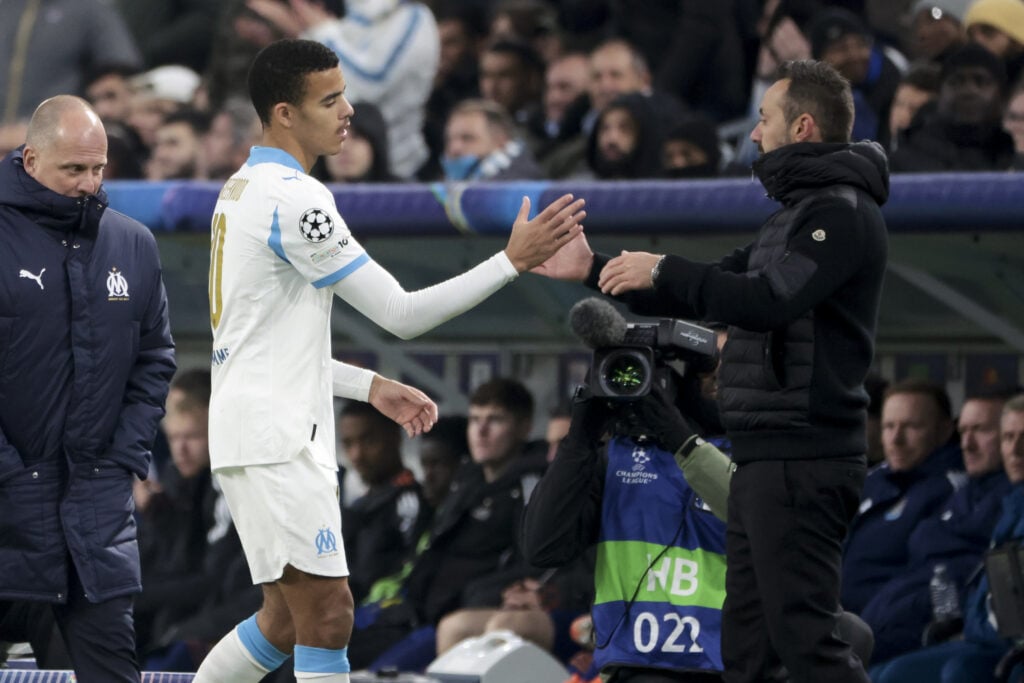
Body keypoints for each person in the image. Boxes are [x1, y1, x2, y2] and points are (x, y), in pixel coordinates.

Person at [193, 39, 584, 683]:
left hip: (251, 427)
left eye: (344, 93)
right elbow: (400, 314)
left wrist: (367, 384)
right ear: (285, 113)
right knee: (330, 615)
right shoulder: (298, 200)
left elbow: (256, 344)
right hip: (278, 436)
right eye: (330, 99)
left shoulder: (240, 190)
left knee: (285, 620)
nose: (348, 109)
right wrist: (512, 260)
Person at [536, 59, 888, 682]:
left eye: (764, 119)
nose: (754, 134)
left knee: (806, 640)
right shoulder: (792, 217)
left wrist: (665, 267)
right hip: (765, 457)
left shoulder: (842, 211)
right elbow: (713, 289)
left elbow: (768, 299)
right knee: (746, 652)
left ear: (802, 126)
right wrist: (595, 268)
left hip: (805, 456)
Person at [0, 95, 176, 682]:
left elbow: (155, 359)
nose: (89, 183)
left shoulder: (132, 244)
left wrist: (124, 455)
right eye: (73, 169)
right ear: (30, 160)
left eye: (98, 169)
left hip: (93, 519)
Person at [870, 394, 1024, 683]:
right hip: (968, 631)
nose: (1015, 450)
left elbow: (1010, 614)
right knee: (884, 673)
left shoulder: (994, 498)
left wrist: (968, 625)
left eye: (981, 430)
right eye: (1008, 437)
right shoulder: (1009, 503)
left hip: (986, 639)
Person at [842, 379, 964, 617]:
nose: (896, 439)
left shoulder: (954, 492)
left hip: (881, 632)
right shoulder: (870, 481)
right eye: (889, 426)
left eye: (912, 427)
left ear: (944, 431)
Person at [337, 402, 431, 603]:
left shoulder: (411, 501)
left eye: (368, 441)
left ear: (395, 436)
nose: (357, 455)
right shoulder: (356, 505)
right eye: (348, 444)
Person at [890, 43, 1014, 172]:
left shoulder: (1014, 156)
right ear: (939, 94)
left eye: (981, 81)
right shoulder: (903, 161)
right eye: (957, 81)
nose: (969, 90)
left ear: (1002, 96)